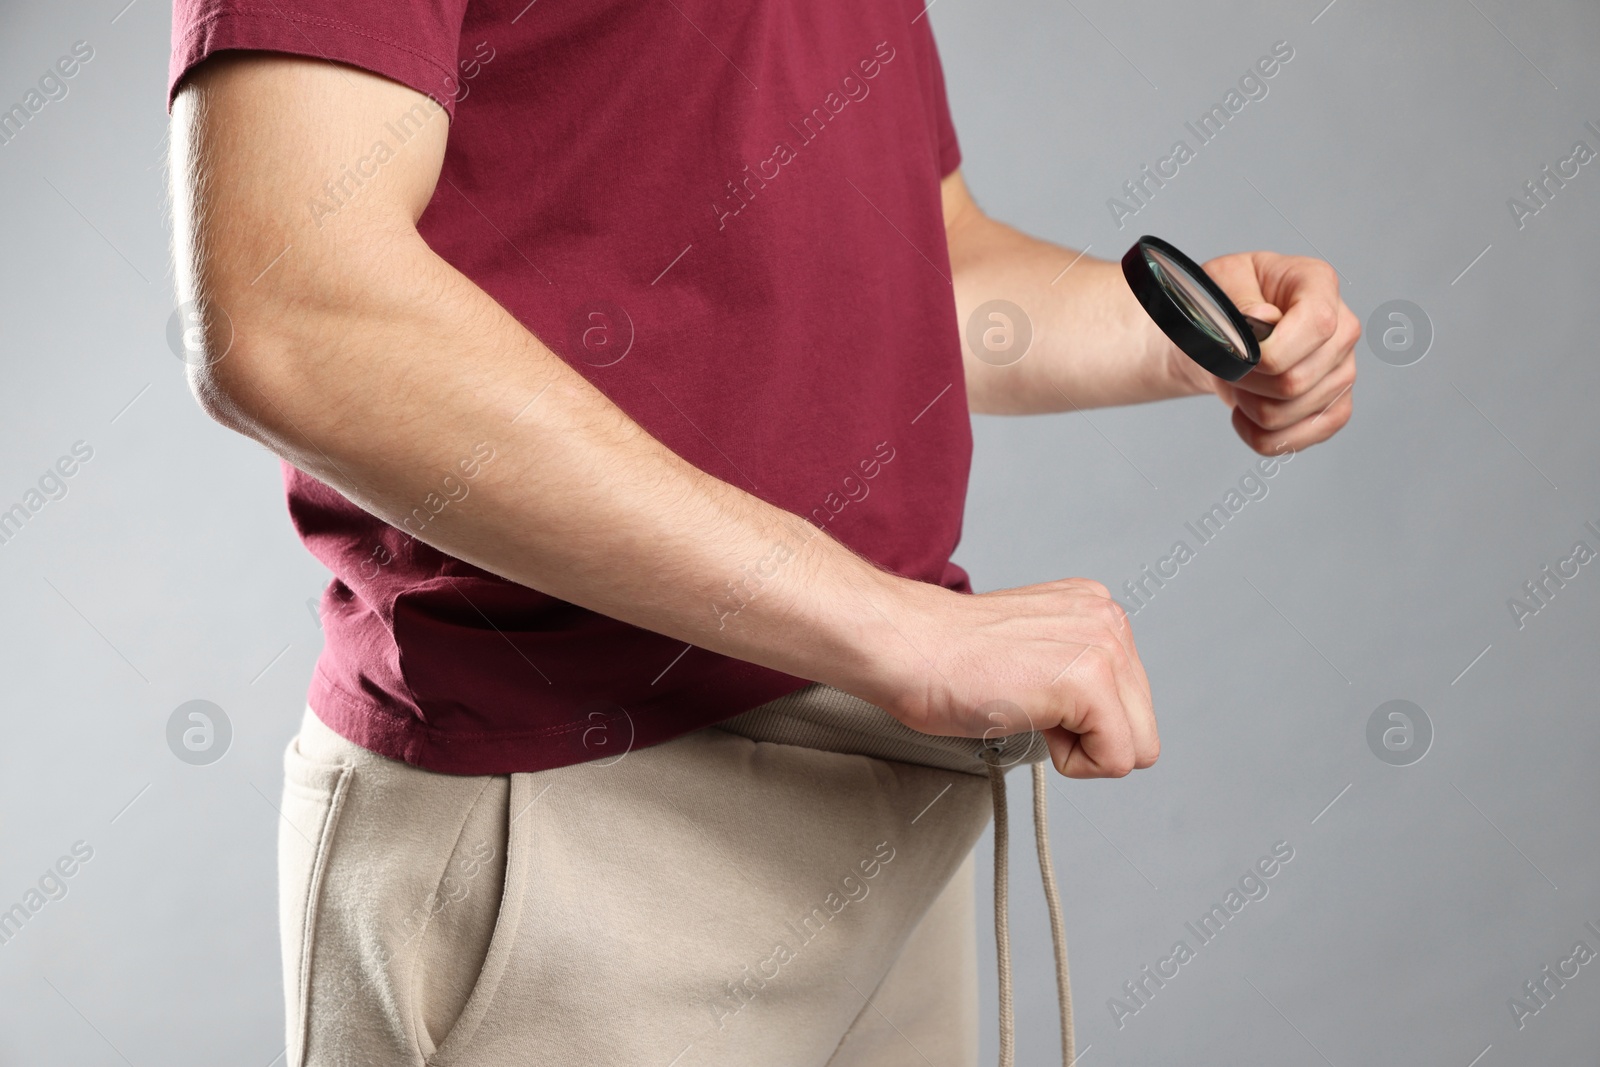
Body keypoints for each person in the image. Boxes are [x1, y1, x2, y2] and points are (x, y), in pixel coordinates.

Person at [166, 1, 1357, 1064]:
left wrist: (1175, 335)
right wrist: (897, 627)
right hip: (570, 821)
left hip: (883, 790)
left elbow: (919, 256)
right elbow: (291, 303)